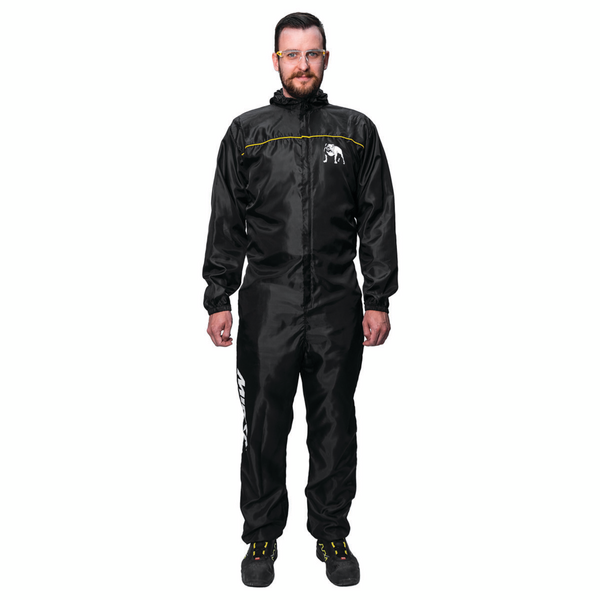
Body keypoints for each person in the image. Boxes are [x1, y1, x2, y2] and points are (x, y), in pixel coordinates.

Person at [203, 12, 398, 587]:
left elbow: (378, 219)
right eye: (292, 54)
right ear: (276, 61)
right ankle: (261, 536)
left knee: (335, 424)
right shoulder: (247, 132)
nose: (302, 64)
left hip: (336, 305)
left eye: (312, 53)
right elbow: (226, 220)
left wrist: (378, 297)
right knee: (264, 425)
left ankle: (332, 532)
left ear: (326, 59)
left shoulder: (355, 131)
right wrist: (219, 296)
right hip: (269, 304)